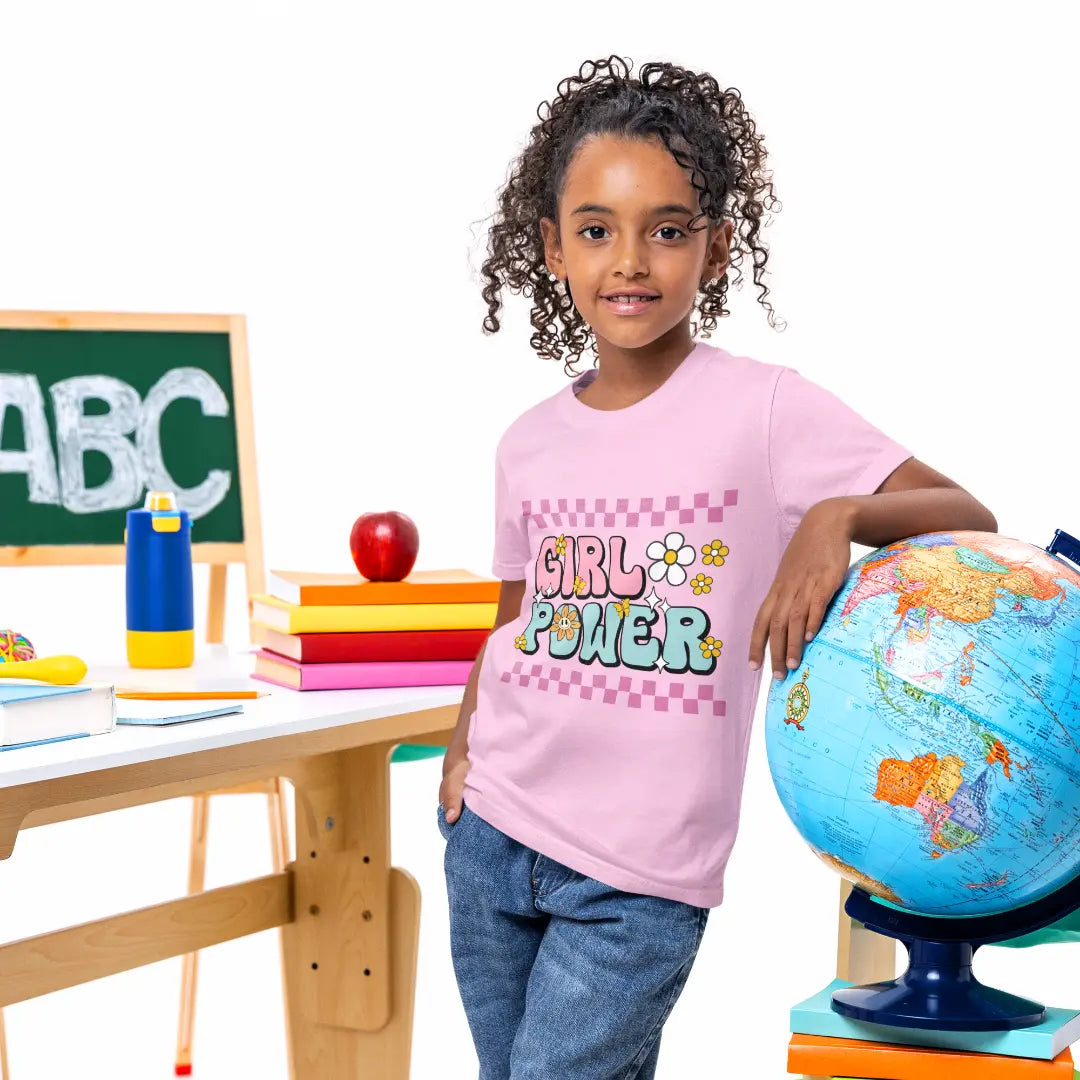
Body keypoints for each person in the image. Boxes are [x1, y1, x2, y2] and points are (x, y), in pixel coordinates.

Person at [436, 55, 996, 1080]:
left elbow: (968, 513)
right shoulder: (526, 442)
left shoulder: (766, 409)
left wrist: (839, 512)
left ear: (716, 245)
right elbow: (514, 615)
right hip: (492, 836)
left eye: (668, 227)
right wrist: (459, 757)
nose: (631, 259)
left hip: (639, 873)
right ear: (553, 246)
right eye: (597, 229)